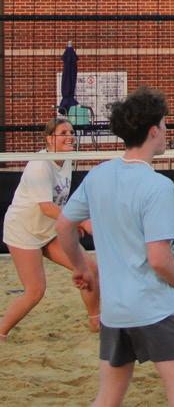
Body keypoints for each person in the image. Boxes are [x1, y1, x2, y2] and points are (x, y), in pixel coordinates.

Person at [56, 86, 174, 407]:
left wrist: (81, 267)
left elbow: (63, 226)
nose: (167, 131)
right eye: (164, 124)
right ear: (153, 131)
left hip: (115, 311)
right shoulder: (159, 186)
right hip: (156, 307)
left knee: (107, 398)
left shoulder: (99, 175)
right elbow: (159, 260)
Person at [1, 116, 100, 339]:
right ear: (49, 139)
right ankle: (1, 331)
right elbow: (46, 207)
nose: (70, 137)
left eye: (71, 132)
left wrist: (69, 225)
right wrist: (80, 222)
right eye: (63, 133)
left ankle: (96, 321)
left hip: (48, 230)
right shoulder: (40, 165)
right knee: (35, 291)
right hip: (23, 230)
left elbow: (59, 202)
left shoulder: (66, 159)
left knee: (89, 269)